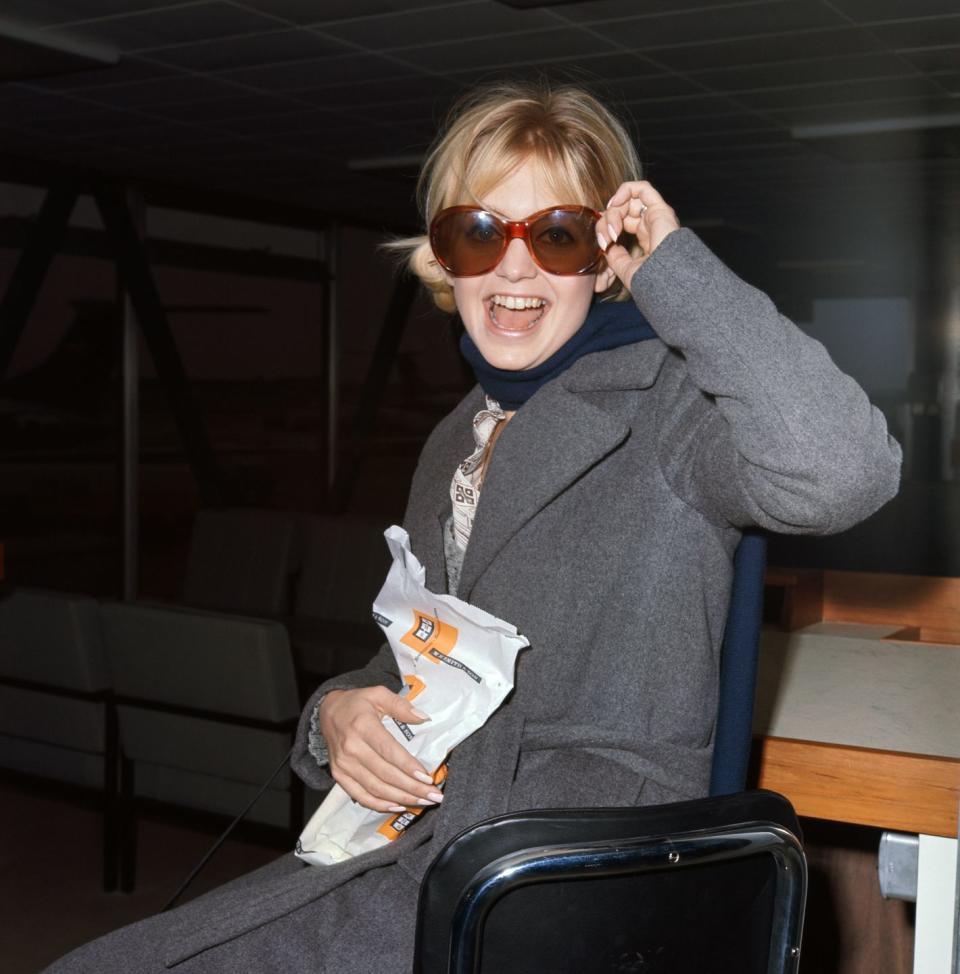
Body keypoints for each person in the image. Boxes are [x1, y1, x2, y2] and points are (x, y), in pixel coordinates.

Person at [47, 80, 901, 973]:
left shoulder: (672, 410)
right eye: (479, 232)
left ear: (606, 261)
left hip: (569, 878)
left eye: (558, 236)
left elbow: (847, 473)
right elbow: (424, 660)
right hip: (436, 838)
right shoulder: (459, 437)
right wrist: (338, 714)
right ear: (443, 258)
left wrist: (678, 272)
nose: (515, 268)